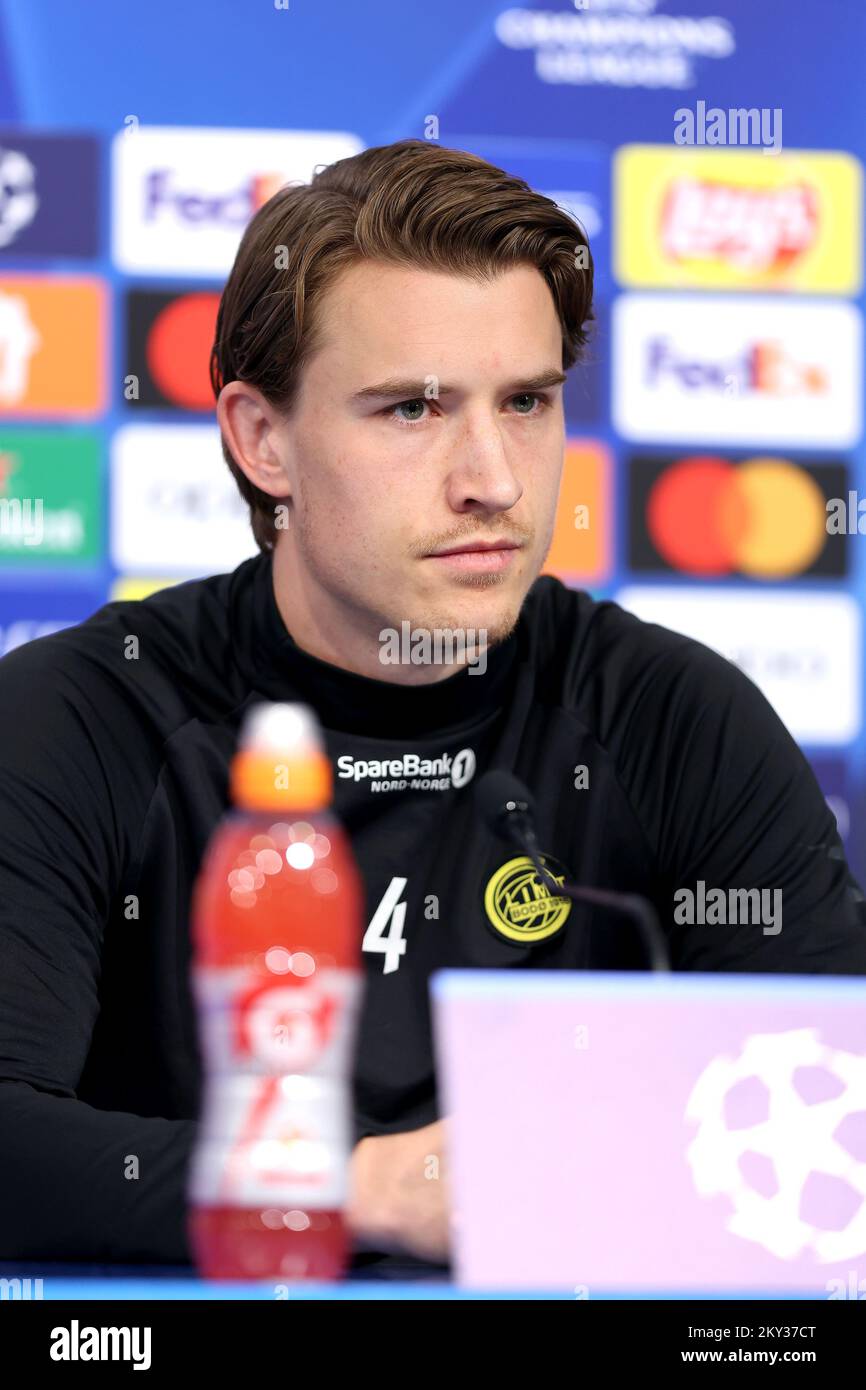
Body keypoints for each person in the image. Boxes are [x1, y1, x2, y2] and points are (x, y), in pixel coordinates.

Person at [0, 140, 863, 1275]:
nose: (493, 478)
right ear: (262, 439)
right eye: (412, 408)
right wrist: (354, 1189)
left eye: (527, 402)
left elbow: (830, 1135)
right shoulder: (80, 715)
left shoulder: (671, 718)